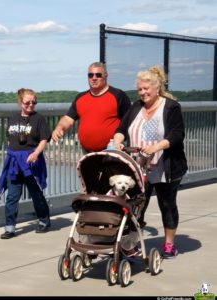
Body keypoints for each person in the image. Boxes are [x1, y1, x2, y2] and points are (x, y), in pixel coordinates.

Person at [112, 65, 187, 259]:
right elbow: (122, 128)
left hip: (165, 166)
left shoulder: (170, 106)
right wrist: (118, 139)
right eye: (140, 89)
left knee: (167, 205)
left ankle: (169, 245)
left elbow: (177, 134)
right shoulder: (135, 107)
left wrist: (156, 147)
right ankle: (132, 244)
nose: (143, 93)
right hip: (139, 166)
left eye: (146, 89)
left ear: (156, 87)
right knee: (136, 206)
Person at [0, 88, 51, 239]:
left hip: (30, 161)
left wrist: (35, 154)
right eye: (27, 102)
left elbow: (44, 139)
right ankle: (10, 227)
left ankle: (44, 220)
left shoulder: (38, 119)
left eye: (34, 102)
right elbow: (9, 137)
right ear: (20, 102)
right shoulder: (13, 117)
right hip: (14, 162)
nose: (31, 105)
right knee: (12, 196)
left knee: (35, 193)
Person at [51, 62, 131, 152]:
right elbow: (68, 119)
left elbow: (128, 122)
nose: (94, 78)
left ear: (105, 76)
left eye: (98, 75)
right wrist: (59, 128)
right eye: (90, 75)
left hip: (112, 152)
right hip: (87, 153)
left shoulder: (118, 95)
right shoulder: (80, 98)